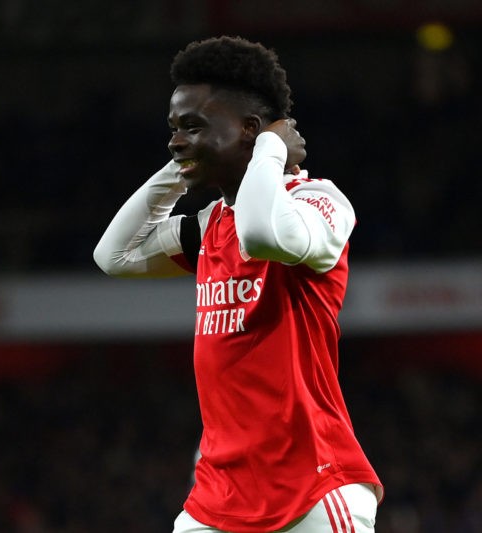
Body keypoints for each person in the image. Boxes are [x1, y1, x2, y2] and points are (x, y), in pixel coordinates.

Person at [93, 36, 383, 533]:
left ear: (248, 129)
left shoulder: (319, 203)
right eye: (173, 128)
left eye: (193, 126)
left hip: (313, 490)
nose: (175, 139)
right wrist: (182, 168)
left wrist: (269, 146)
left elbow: (261, 233)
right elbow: (113, 255)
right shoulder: (211, 225)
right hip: (218, 496)